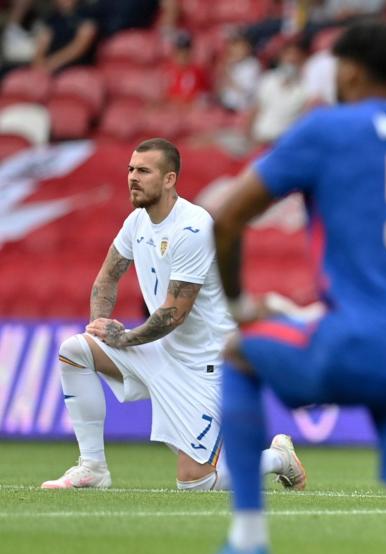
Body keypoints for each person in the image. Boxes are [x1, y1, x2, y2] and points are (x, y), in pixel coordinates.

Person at [192, 19, 386, 554]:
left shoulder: (325, 130)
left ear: (348, 69)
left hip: (358, 336)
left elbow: (227, 217)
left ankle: (248, 542)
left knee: (238, 354)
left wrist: (241, 303)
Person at [41, 138, 307, 493]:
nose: (133, 178)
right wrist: (100, 327)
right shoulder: (136, 222)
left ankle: (277, 457)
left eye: (144, 171)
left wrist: (124, 337)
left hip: (205, 366)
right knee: (76, 350)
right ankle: (92, 467)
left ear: (169, 179)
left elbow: (173, 314)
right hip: (160, 352)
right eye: (131, 170)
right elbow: (108, 276)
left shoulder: (194, 228)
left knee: (196, 483)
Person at [31, 0, 98, 73]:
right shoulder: (51, 19)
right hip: (50, 68)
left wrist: (51, 64)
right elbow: (40, 48)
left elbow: (79, 47)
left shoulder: (88, 14)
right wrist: (39, 66)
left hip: (79, 68)